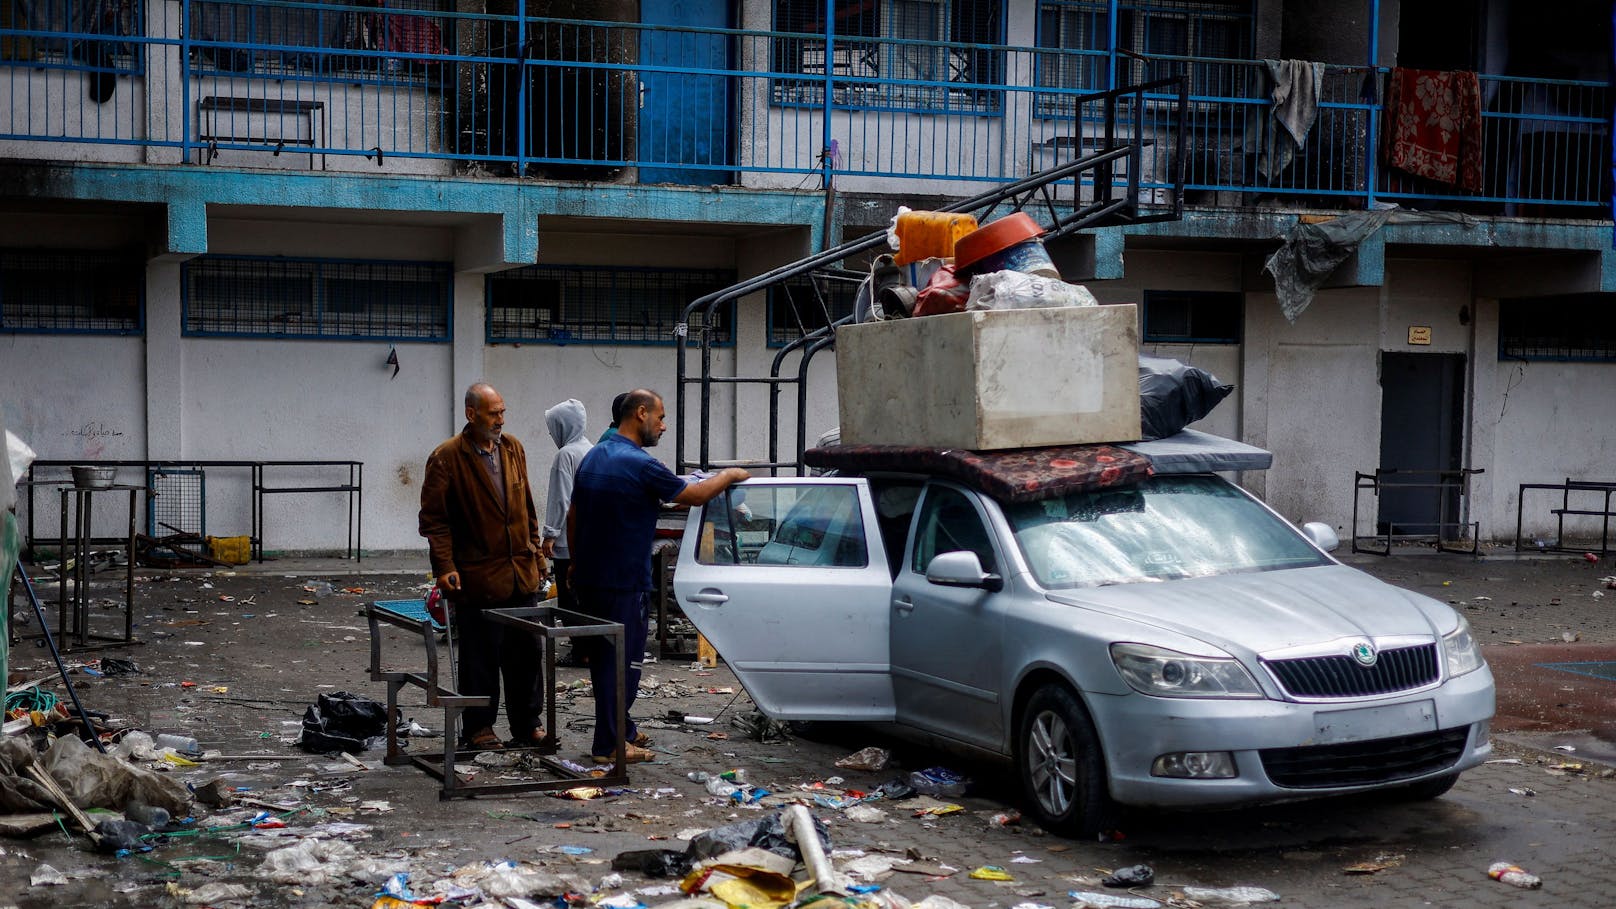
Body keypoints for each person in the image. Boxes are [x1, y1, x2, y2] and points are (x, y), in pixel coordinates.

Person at [568, 388, 749, 764]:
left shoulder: (593, 456)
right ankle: (608, 745)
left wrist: (574, 562)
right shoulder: (640, 463)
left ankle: (623, 729)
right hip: (624, 580)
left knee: (605, 658)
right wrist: (729, 474)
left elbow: (574, 514)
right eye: (661, 417)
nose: (663, 426)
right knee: (624, 662)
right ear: (640, 414)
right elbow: (696, 495)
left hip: (591, 576)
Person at [419, 382, 548, 751]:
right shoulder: (446, 458)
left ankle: (527, 724)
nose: (500, 420)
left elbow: (527, 509)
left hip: (520, 573)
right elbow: (434, 521)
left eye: (503, 412)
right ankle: (479, 729)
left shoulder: (513, 449)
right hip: (477, 576)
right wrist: (444, 566)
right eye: (494, 413)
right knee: (480, 657)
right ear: (471, 414)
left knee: (526, 654)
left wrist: (536, 553)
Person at [541, 398, 590, 625]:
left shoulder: (565, 455)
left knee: (568, 599)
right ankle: (587, 647)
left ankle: (579, 648)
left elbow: (560, 499)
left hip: (566, 542)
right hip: (587, 538)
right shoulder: (592, 450)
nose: (552, 435)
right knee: (585, 598)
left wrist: (550, 534)